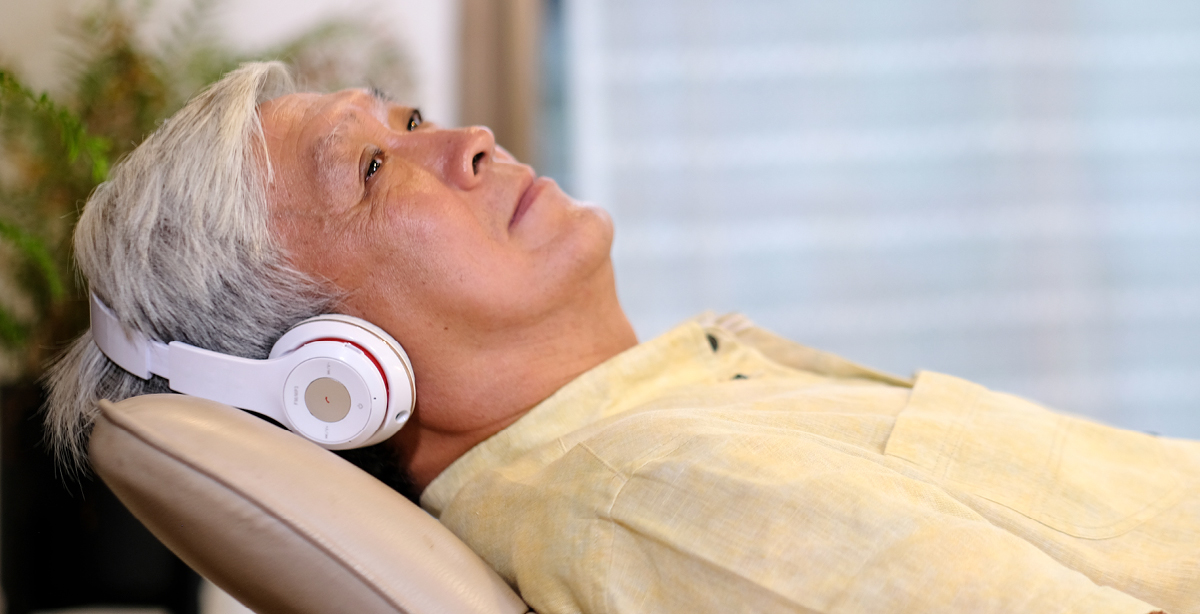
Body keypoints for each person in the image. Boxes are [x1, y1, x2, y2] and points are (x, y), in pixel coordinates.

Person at [45, 62, 1196, 614]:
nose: (472, 139)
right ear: (331, 376)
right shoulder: (656, 498)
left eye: (406, 116)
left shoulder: (663, 421)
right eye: (375, 168)